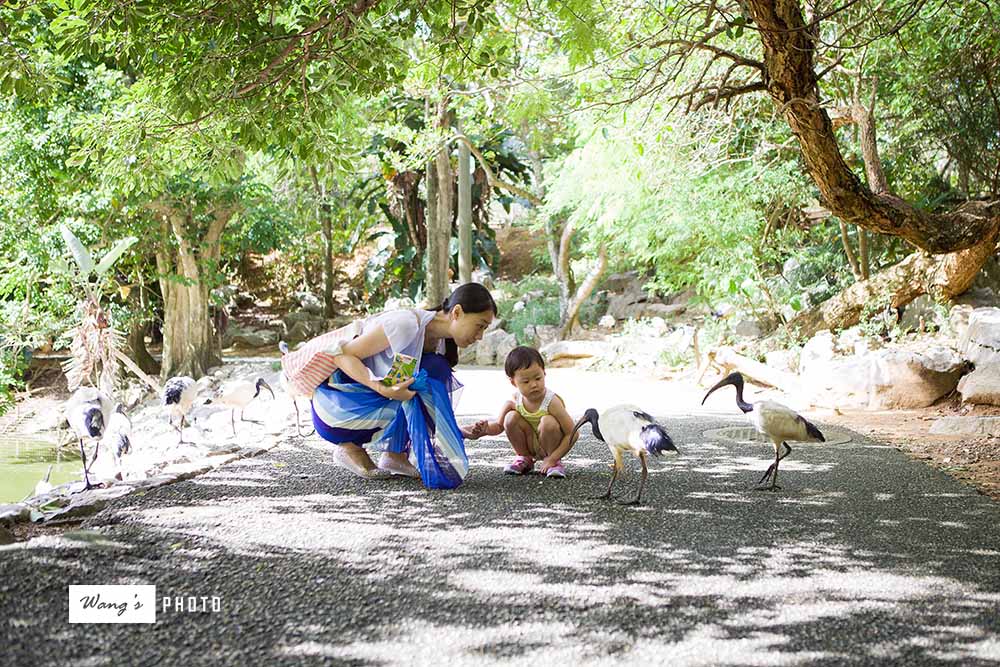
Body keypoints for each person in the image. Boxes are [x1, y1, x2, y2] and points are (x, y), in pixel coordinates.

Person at [311, 283, 497, 479]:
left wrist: (458, 430)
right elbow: (342, 356)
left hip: (368, 403)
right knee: (430, 373)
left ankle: (395, 454)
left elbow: (424, 400)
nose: (480, 336)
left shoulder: (441, 345)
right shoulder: (405, 324)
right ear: (457, 312)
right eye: (480, 325)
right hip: (336, 407)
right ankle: (349, 446)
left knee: (434, 370)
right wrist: (383, 389)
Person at [462, 346, 578, 478]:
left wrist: (553, 457)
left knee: (548, 422)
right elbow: (499, 426)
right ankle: (524, 458)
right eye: (526, 381)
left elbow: (572, 433)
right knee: (510, 417)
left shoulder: (552, 402)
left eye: (538, 378)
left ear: (544, 373)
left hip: (550, 447)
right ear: (513, 382)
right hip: (529, 444)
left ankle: (554, 463)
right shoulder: (515, 401)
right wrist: (485, 429)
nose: (534, 384)